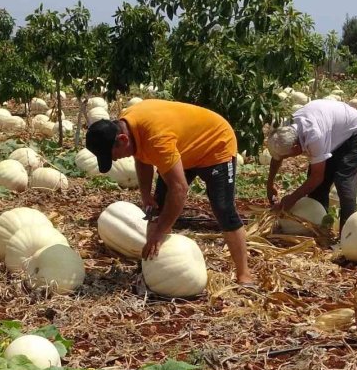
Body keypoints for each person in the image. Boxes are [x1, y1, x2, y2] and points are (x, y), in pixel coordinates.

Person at [85, 99, 256, 286]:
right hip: (183, 149)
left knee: (223, 209)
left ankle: (244, 274)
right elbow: (141, 157)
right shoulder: (128, 127)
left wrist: (159, 232)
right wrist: (145, 194)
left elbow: (180, 189)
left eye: (114, 155)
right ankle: (151, 266)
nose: (117, 159)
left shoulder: (156, 139)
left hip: (215, 145)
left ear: (122, 140)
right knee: (156, 208)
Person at [265, 99, 357, 232]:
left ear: (296, 146)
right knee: (317, 186)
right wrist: (269, 184)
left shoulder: (314, 135)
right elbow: (277, 157)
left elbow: (317, 177)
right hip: (333, 131)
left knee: (343, 179)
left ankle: (347, 232)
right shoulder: (283, 130)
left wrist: (291, 199)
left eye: (288, 156)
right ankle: (320, 225)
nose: (287, 158)